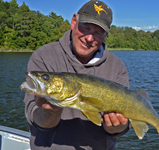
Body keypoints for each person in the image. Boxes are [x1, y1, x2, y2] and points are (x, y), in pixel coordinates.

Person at [23, 0, 131, 149]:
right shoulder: (43, 56)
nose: (89, 38)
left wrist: (115, 126)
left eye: (98, 33)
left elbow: (119, 130)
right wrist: (51, 110)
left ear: (105, 35)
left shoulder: (117, 67)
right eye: (85, 27)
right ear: (74, 22)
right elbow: (36, 119)